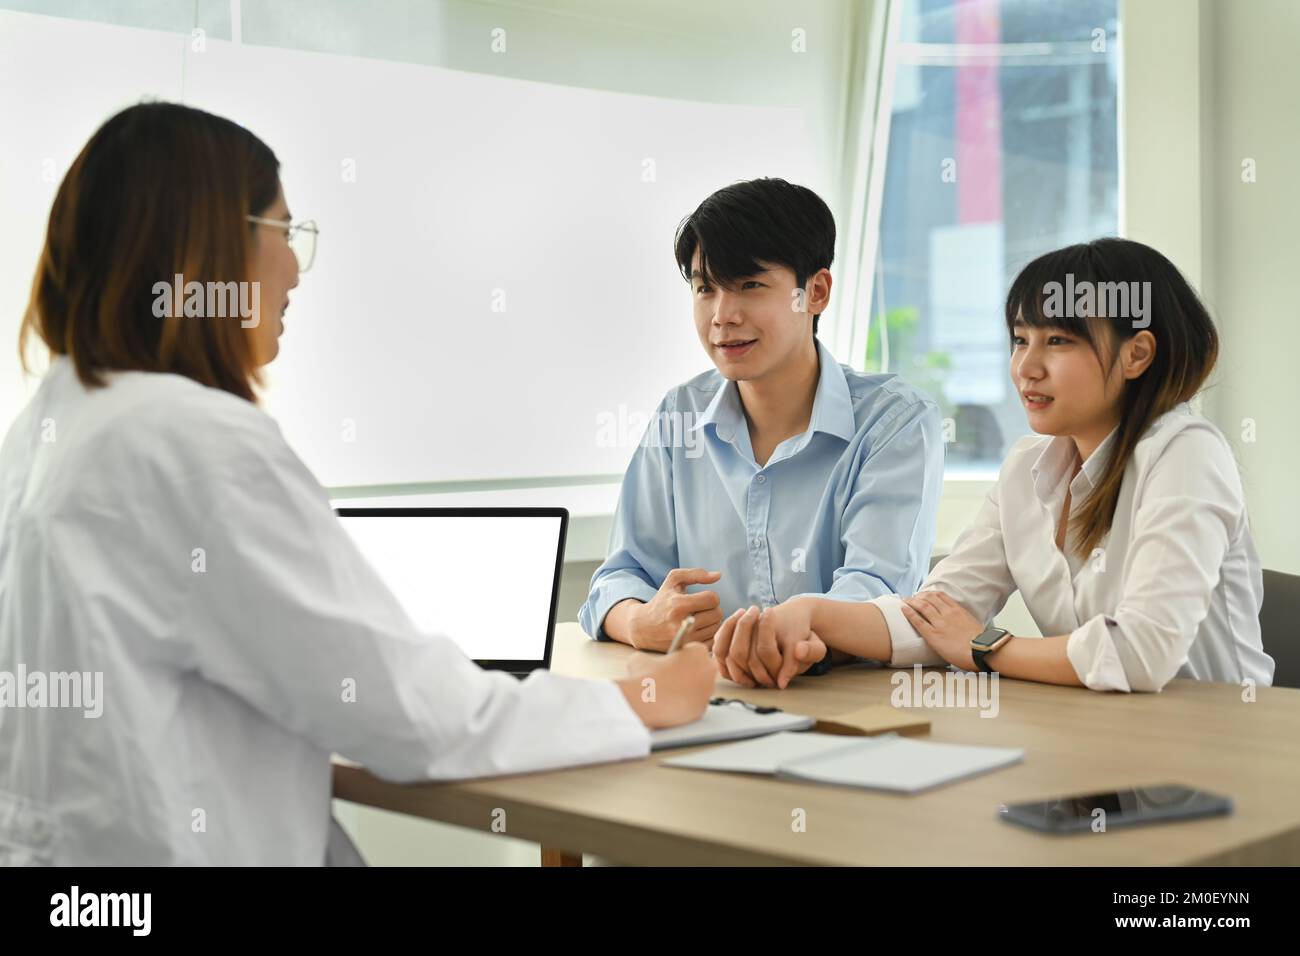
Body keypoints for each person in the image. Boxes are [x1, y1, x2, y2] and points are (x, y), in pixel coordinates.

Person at [0, 102, 714, 866]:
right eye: (285, 233)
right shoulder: (195, 444)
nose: (295, 270)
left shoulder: (46, 430)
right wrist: (643, 698)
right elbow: (412, 715)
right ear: (209, 245)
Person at [721, 238, 1275, 692]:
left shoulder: (1185, 454)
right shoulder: (1027, 468)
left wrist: (987, 648)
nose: (1026, 367)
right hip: (1107, 752)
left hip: (1223, 766)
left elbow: (1139, 654)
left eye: (1057, 341)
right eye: (1019, 340)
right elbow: (936, 618)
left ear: (1138, 354)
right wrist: (810, 614)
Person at [579, 178, 944, 693]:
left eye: (750, 285)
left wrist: (789, 633)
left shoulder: (895, 422)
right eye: (706, 288)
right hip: (711, 702)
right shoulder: (679, 414)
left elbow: (880, 593)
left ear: (814, 292)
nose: (723, 315)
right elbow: (619, 577)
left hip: (851, 707)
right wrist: (641, 622)